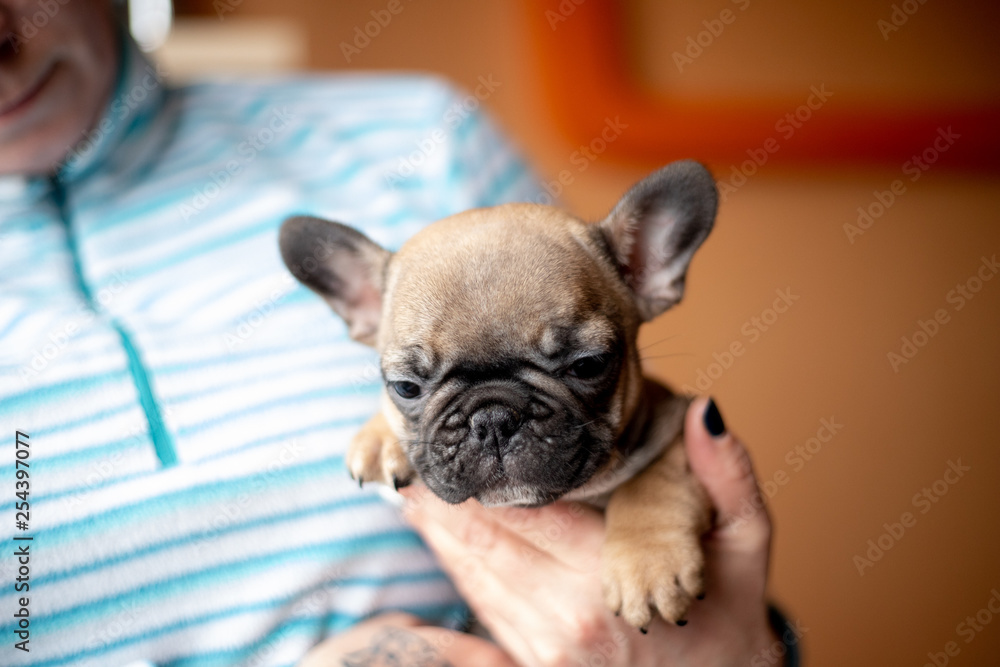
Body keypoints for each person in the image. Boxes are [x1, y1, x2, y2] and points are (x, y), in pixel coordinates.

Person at [0, 2, 797, 665]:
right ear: (358, 311)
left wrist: (742, 648)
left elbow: (686, 502)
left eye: (581, 363)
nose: (490, 422)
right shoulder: (386, 293)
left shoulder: (425, 136)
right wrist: (398, 421)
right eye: (414, 386)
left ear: (645, 272)